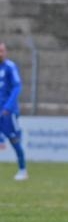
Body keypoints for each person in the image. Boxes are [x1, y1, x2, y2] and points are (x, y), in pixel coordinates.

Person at [0, 41, 28, 180]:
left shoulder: (10, 67)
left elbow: (17, 88)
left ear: (5, 52)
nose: (0, 53)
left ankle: (22, 170)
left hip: (7, 113)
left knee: (15, 140)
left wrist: (8, 108)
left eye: (2, 51)